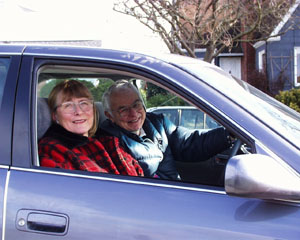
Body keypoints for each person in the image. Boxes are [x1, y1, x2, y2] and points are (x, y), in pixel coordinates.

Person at [98, 80, 232, 180]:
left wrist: (228, 135)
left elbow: (189, 142)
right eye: (123, 110)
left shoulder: (157, 122)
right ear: (110, 116)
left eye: (136, 104)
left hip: (173, 192)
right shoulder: (108, 142)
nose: (133, 113)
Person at [38, 80, 143, 177]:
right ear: (55, 116)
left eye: (83, 103)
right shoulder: (51, 150)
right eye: (68, 105)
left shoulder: (108, 142)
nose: (78, 111)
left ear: (93, 109)